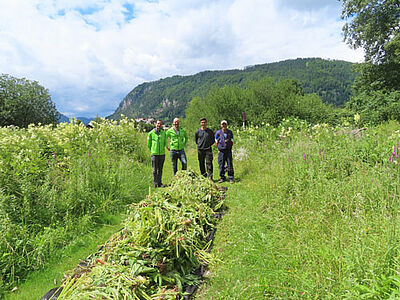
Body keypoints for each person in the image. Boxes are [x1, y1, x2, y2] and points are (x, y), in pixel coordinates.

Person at [147, 119, 168, 187]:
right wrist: (153, 150)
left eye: (160, 124)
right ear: (155, 124)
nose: (159, 125)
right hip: (154, 154)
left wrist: (167, 147)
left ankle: (159, 183)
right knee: (154, 170)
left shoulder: (163, 133)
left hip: (162, 154)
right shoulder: (151, 133)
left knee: (160, 169)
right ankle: (155, 183)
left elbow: (165, 142)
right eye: (158, 123)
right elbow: (149, 144)